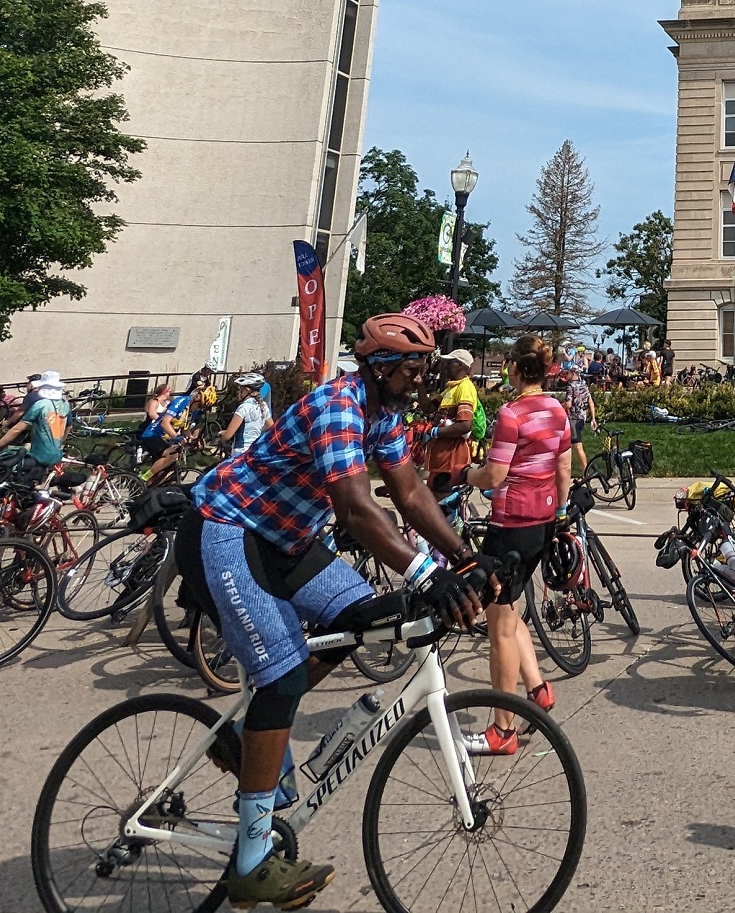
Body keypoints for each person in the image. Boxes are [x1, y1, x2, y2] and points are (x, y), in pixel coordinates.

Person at [182, 311, 488, 908]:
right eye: (412, 364)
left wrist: (464, 557)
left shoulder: (383, 414)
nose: (421, 374)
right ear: (378, 366)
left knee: (366, 620)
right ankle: (250, 864)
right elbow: (354, 509)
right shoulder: (338, 404)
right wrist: (426, 575)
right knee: (284, 672)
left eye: (425, 363)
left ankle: (247, 739)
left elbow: (410, 491)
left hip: (286, 541)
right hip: (226, 531)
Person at [468, 338, 572, 754]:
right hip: (543, 523)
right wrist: (559, 511)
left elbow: (494, 476)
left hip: (509, 526)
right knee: (509, 612)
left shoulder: (511, 414)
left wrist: (464, 475)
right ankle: (539, 690)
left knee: (498, 630)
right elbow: (563, 466)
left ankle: (502, 730)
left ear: (513, 367)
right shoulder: (556, 409)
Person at [422, 350, 481, 497]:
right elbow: (428, 408)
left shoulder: (465, 387)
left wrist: (435, 432)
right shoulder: (451, 388)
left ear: (460, 366)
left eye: (449, 363)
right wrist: (419, 384)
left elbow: (465, 425)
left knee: (441, 506)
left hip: (451, 462)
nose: (445, 366)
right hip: (441, 461)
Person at [0, 370, 71, 472]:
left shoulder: (41, 405)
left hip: (39, 455)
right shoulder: (65, 405)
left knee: (8, 469)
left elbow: (17, 429)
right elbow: (69, 426)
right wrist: (61, 441)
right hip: (57, 454)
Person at [218, 375, 272, 456]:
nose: (238, 392)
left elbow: (228, 435)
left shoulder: (243, 407)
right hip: (254, 451)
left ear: (246, 390)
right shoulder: (263, 406)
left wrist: (222, 434)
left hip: (240, 451)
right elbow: (271, 427)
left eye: (240, 389)